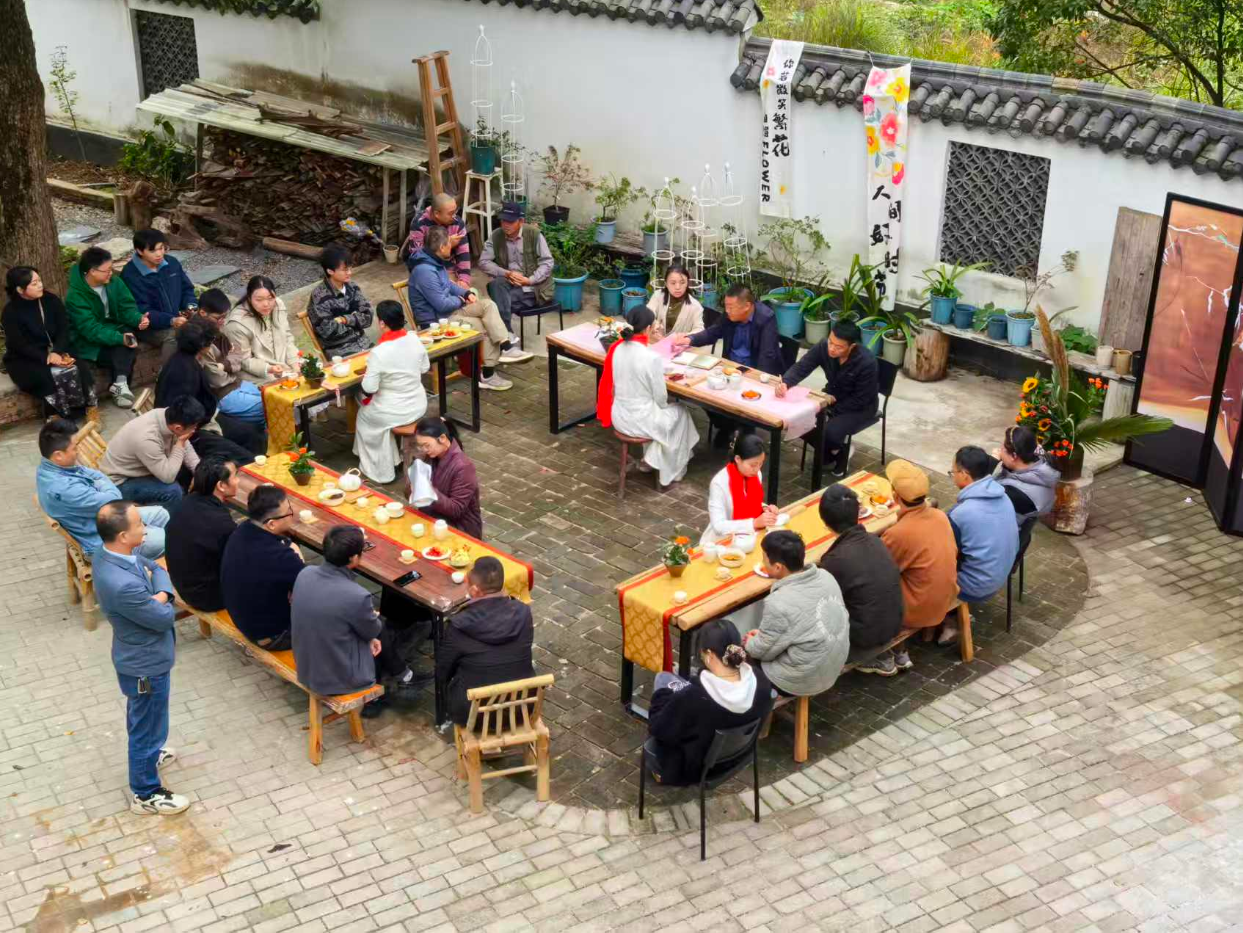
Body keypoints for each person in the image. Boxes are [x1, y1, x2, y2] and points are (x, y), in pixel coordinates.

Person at [91, 500, 188, 815]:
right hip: (144, 663)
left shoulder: (114, 554)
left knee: (148, 719)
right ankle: (146, 792)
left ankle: (148, 758)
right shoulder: (121, 585)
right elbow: (162, 618)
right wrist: (163, 596)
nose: (144, 529)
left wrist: (158, 592)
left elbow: (156, 569)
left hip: (143, 655)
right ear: (122, 535)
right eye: (138, 525)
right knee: (147, 726)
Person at [292, 525, 424, 718]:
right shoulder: (357, 595)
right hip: (337, 678)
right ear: (353, 558)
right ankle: (378, 696)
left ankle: (402, 673)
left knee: (374, 633)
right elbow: (372, 630)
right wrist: (371, 620)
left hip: (306, 665)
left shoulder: (305, 573)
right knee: (378, 633)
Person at [646, 618, 772, 786]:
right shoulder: (760, 681)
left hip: (695, 769)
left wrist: (662, 696)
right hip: (739, 756)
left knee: (663, 679)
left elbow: (658, 729)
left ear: (710, 655)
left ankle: (661, 774)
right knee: (680, 687)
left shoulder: (694, 697)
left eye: (702, 653)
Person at [409, 226, 530, 390]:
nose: (452, 246)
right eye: (449, 243)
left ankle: (506, 347)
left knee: (488, 305)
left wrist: (465, 294)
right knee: (480, 324)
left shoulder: (434, 261)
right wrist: (460, 300)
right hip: (437, 321)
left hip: (449, 310)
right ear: (443, 247)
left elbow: (449, 286)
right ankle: (487, 374)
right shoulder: (425, 271)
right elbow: (441, 304)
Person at [36, 417, 170, 560]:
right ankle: (160, 572)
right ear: (58, 455)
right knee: (165, 538)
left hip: (103, 521)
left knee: (162, 514)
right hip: (102, 541)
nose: (78, 452)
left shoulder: (51, 467)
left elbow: (96, 475)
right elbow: (114, 497)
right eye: (75, 448)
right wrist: (101, 484)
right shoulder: (64, 488)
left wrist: (100, 483)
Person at [596, 305, 699, 488]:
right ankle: (666, 466)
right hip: (640, 419)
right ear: (648, 328)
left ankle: (652, 458)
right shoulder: (651, 357)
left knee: (667, 417)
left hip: (619, 416)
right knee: (681, 413)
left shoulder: (617, 349)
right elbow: (660, 398)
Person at [739, 530, 850, 698]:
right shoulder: (826, 576)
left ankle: (744, 706)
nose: (763, 562)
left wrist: (752, 641)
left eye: (764, 559)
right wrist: (764, 636)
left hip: (800, 678)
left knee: (739, 654)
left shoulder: (778, 602)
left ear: (778, 567)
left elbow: (760, 652)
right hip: (834, 663)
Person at [670, 283, 782, 448]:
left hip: (753, 371)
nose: (727, 310)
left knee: (743, 400)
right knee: (702, 393)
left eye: (731, 307)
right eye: (726, 306)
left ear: (747, 306)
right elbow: (713, 332)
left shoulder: (766, 318)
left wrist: (756, 381)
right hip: (730, 368)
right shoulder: (730, 315)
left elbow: (768, 355)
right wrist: (689, 339)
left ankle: (744, 430)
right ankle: (727, 426)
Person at [816, 484, 906, 675]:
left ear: (825, 522)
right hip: (893, 621)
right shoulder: (876, 540)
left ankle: (872, 657)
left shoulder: (834, 560)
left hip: (865, 636)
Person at [435, 556, 535, 726]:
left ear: (474, 590)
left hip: (475, 715)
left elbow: (443, 671)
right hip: (521, 707)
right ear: (502, 585)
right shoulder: (523, 613)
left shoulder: (459, 624)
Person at [776, 319, 879, 477]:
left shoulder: (866, 362)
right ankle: (837, 452)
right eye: (831, 342)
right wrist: (786, 383)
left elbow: (861, 399)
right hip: (831, 396)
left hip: (860, 407)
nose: (831, 348)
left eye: (838, 347)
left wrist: (832, 408)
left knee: (829, 431)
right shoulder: (824, 347)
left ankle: (830, 448)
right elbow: (803, 366)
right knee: (796, 418)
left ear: (852, 346)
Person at [878, 460, 959, 656]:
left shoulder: (898, 533)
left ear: (895, 496)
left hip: (918, 607)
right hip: (947, 593)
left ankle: (893, 654)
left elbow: (880, 574)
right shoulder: (939, 515)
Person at [155, 318, 261, 460]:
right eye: (210, 343)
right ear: (202, 345)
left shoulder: (185, 359)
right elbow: (184, 415)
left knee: (253, 432)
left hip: (203, 417)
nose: (211, 346)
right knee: (246, 456)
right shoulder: (185, 371)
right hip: (191, 431)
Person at [945, 446, 1020, 642]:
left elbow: (944, 553)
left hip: (975, 586)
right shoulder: (1003, 496)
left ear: (964, 475)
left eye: (953, 472)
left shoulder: (962, 513)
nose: (952, 476)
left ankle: (948, 621)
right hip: (1001, 573)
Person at [3, 266, 97, 418]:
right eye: (34, 284)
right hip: (27, 357)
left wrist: (57, 351)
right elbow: (18, 344)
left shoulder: (51, 300)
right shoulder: (10, 312)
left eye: (39, 281)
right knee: (44, 377)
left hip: (57, 348)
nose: (40, 285)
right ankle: (55, 417)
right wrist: (46, 357)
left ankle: (91, 408)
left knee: (80, 368)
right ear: (20, 290)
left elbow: (64, 329)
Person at [220, 484, 304, 650]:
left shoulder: (242, 530)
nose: (292, 515)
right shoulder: (280, 558)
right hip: (273, 636)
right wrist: (298, 557)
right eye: (289, 512)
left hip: (245, 620)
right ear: (271, 524)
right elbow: (312, 587)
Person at [354, 300, 429, 483]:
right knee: (375, 415)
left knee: (363, 417)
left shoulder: (379, 352)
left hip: (393, 411)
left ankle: (380, 470)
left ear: (381, 323)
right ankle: (394, 457)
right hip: (418, 404)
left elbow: (369, 388)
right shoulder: (414, 338)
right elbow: (424, 368)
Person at [64, 247, 144, 409]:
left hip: (113, 328)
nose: (111, 273)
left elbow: (126, 307)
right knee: (124, 345)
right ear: (92, 271)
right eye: (107, 270)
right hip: (88, 342)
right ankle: (120, 386)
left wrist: (137, 319)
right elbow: (89, 329)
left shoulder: (114, 282)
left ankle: (120, 383)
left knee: (129, 338)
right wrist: (119, 338)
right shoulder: (75, 296)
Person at [98, 396, 205, 506]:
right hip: (119, 483)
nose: (194, 430)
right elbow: (168, 477)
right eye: (193, 427)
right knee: (173, 491)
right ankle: (165, 520)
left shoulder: (167, 416)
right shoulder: (147, 438)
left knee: (185, 470)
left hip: (141, 469)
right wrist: (180, 443)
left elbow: (184, 444)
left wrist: (199, 471)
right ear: (178, 428)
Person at [163, 458, 239, 612]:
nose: (238, 481)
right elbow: (239, 561)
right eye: (235, 476)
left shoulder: (187, 501)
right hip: (207, 597)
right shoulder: (220, 524)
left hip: (184, 582)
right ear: (221, 486)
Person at [478, 201, 555, 340]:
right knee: (497, 285)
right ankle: (507, 333)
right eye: (503, 220)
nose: (505, 225)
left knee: (494, 304)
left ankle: (505, 336)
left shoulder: (534, 234)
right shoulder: (496, 235)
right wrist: (506, 273)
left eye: (510, 221)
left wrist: (529, 280)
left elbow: (547, 262)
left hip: (533, 288)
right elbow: (483, 262)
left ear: (521, 221)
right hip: (509, 283)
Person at [194, 288, 266, 428]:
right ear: (203, 313)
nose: (222, 322)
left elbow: (237, 353)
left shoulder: (213, 325)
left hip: (237, 382)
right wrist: (229, 362)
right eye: (219, 317)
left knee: (277, 398)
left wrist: (224, 365)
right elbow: (216, 379)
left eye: (225, 317)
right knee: (271, 408)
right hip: (222, 395)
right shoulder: (199, 338)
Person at [120, 228, 196, 360]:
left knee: (205, 326)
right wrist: (171, 320)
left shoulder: (172, 263)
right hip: (148, 326)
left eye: (161, 248)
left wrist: (191, 307)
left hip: (176, 317)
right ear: (139, 251)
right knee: (174, 337)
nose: (159, 254)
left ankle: (200, 373)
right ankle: (167, 377)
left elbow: (186, 289)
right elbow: (142, 310)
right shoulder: (130, 275)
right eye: (152, 250)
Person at [408, 416, 482, 538]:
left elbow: (456, 509)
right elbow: (412, 493)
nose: (424, 450)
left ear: (442, 438)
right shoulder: (430, 456)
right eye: (421, 446)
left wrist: (429, 491)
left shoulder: (463, 467)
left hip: (458, 528)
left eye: (427, 445)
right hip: (431, 518)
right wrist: (412, 485)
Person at [699, 434, 779, 546]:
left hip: (751, 537)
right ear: (738, 459)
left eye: (760, 464)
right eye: (753, 465)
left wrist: (765, 509)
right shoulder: (719, 483)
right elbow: (718, 526)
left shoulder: (755, 474)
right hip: (722, 541)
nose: (757, 469)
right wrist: (754, 523)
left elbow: (750, 502)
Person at [224, 275, 300, 382]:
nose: (266, 304)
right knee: (280, 386)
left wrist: (294, 362)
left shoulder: (278, 305)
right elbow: (244, 360)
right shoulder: (237, 323)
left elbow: (287, 338)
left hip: (282, 364)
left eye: (270, 298)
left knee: (311, 371)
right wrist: (269, 368)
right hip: (256, 371)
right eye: (259, 300)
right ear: (249, 298)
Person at [306, 245, 373, 357]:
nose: (350, 272)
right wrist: (356, 319)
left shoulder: (353, 287)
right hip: (340, 351)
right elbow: (328, 331)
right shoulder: (319, 296)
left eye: (350, 268)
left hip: (364, 343)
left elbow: (368, 317)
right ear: (330, 271)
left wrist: (344, 319)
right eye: (345, 269)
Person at [993, 426, 1059, 525]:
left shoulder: (1013, 493)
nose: (999, 451)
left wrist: (992, 461)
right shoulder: (1042, 466)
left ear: (1014, 456)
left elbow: (975, 494)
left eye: (1002, 449)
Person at [403, 192, 472, 286]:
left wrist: (464, 280)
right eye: (450, 213)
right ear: (436, 214)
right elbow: (417, 257)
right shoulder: (419, 224)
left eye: (455, 211)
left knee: (464, 293)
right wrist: (446, 245)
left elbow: (464, 254)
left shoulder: (457, 223)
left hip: (449, 269)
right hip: (426, 270)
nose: (454, 216)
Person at [647, 263, 705, 340]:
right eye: (673, 283)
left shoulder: (695, 307)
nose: (677, 287)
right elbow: (648, 313)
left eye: (682, 282)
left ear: (687, 283)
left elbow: (700, 330)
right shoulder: (658, 296)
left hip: (679, 346)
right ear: (666, 284)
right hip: (656, 341)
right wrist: (654, 323)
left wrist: (684, 336)